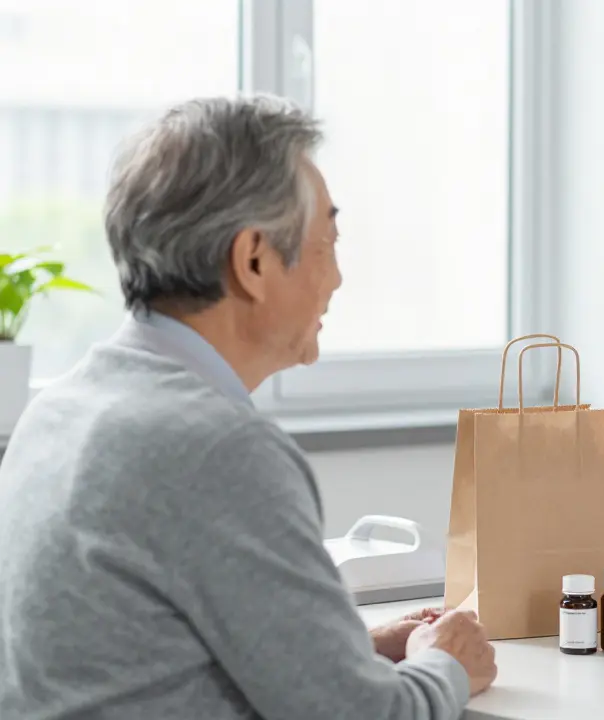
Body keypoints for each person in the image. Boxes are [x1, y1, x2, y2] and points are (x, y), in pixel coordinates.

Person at [0, 96, 495, 718]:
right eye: (328, 242)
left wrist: (348, 653)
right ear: (254, 260)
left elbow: (137, 665)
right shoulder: (216, 449)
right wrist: (447, 662)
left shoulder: (60, 410)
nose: (337, 278)